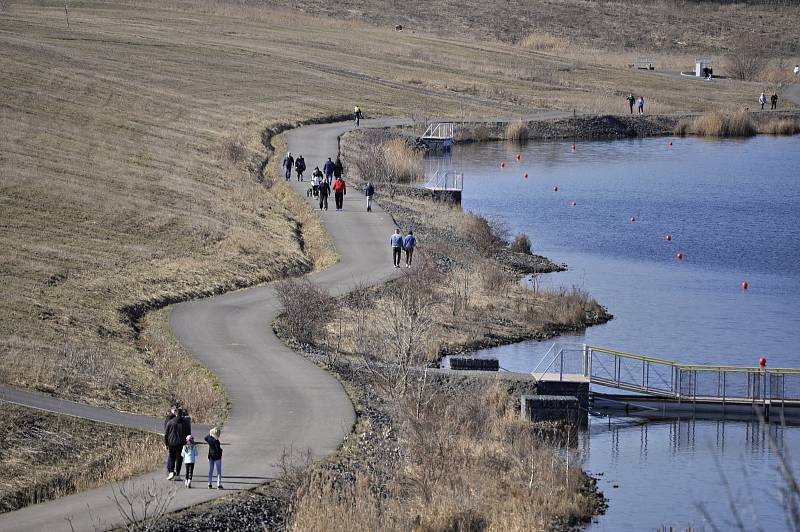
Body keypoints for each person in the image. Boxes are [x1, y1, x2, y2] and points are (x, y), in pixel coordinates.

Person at [164, 407, 191, 480]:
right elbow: (189, 434)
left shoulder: (170, 422)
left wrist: (166, 444)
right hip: (181, 443)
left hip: (171, 443)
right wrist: (188, 443)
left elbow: (166, 434)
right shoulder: (185, 423)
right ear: (182, 414)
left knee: (172, 457)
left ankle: (171, 472)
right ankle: (177, 474)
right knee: (179, 458)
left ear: (176, 413)